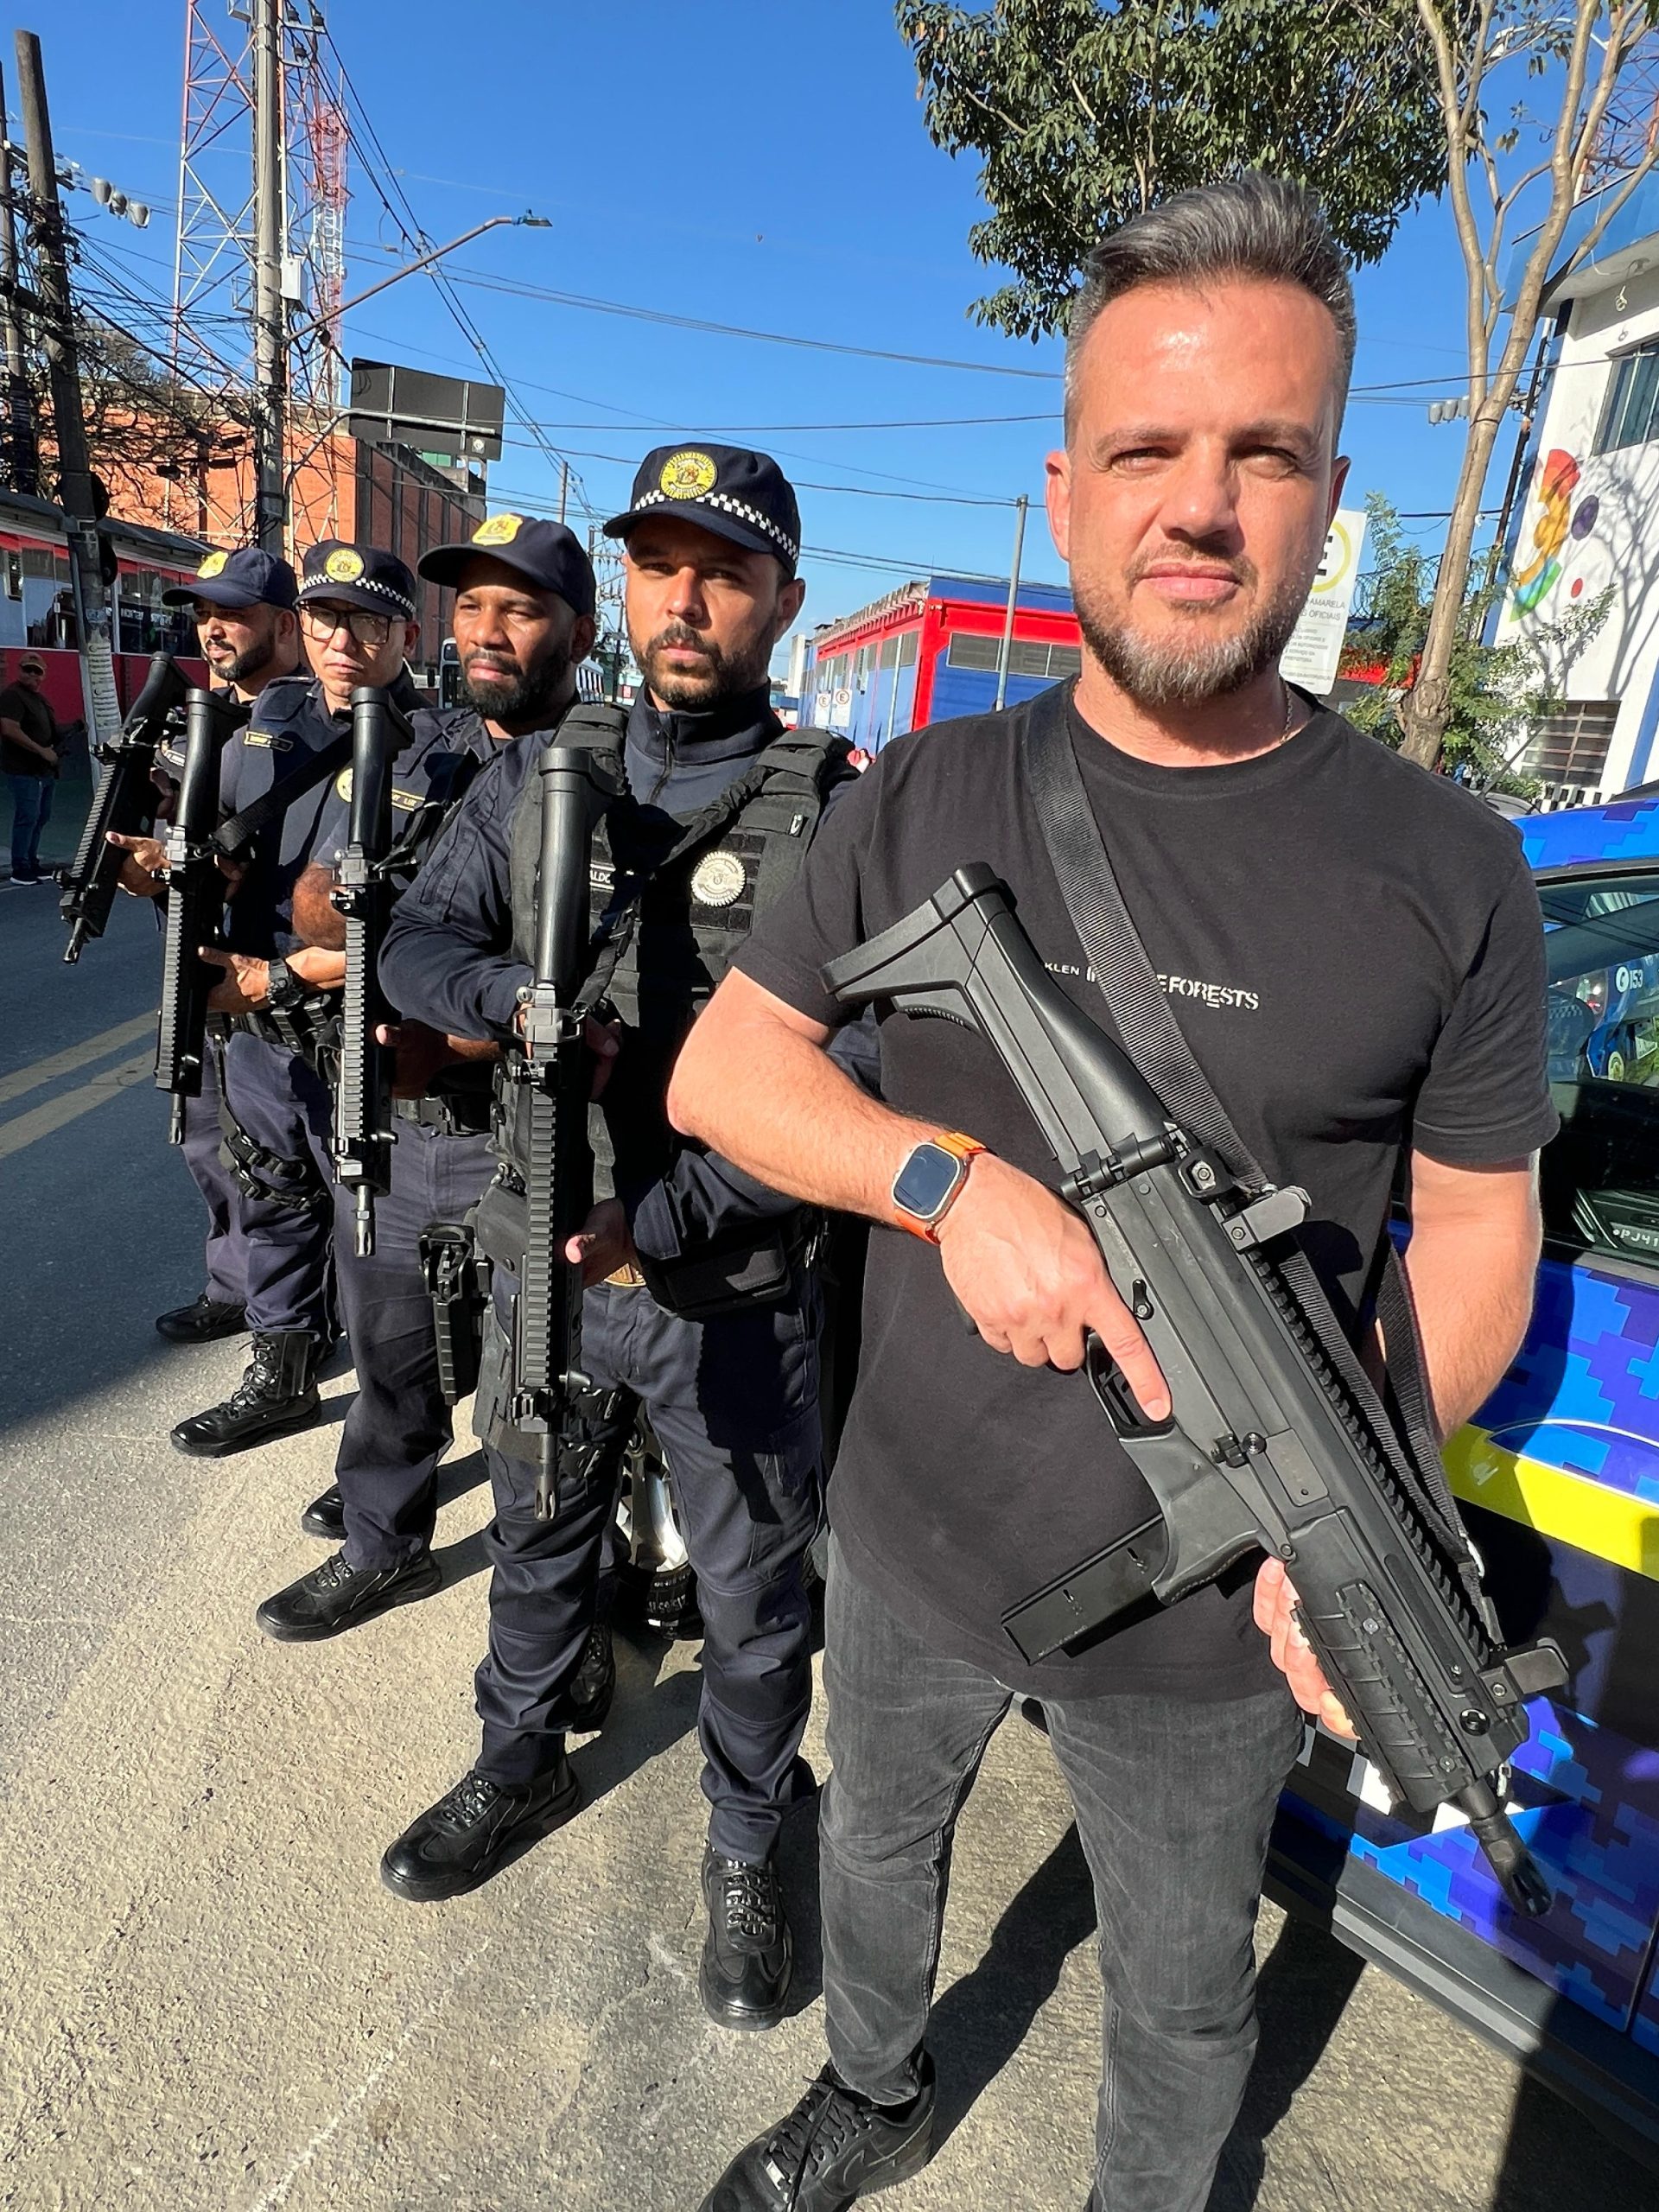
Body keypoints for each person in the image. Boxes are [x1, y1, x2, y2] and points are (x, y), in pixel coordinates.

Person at [670, 177, 1556, 2212]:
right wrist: (945, 1178)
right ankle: (871, 2091)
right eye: (1147, 449)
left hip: (1215, 1636)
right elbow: (723, 1075)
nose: (1201, 506)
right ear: (1066, 492)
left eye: (1266, 452)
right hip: (911, 1532)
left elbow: (1478, 1225)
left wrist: (1363, 1509)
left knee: (1180, 1995)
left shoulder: (1452, 867)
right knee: (873, 1849)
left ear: (1332, 495)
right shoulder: (917, 796)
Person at [377, 447, 849, 2037]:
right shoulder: (540, 773)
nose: (685, 602)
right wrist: (508, 1006)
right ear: (626, 592)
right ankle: (514, 1762)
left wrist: (660, 1220)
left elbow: (855, 1075)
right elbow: (417, 938)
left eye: (725, 573)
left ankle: (749, 1846)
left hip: (729, 1281)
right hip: (545, 1253)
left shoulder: (832, 809)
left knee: (752, 1599)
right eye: (658, 569)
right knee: (534, 1534)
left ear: (785, 599)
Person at [252, 513, 604, 1619]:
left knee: (542, 1382)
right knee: (390, 1350)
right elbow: (325, 899)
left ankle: (564, 1605)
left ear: (580, 633)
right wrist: (354, 908)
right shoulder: (420, 746)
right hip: (408, 1122)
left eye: (519, 607)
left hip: (541, 1131)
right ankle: (384, 1538)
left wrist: (460, 1017)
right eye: (472, 605)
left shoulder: (613, 768)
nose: (485, 629)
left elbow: (604, 983)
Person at [160, 543, 426, 1459]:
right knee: (269, 1198)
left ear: (405, 635)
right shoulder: (266, 726)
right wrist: (171, 867)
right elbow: (225, 858)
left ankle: (388, 1451)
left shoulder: (439, 748)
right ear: (300, 625)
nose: (343, 641)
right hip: (260, 1027)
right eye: (325, 619)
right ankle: (281, 1377)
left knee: (374, 1241)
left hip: (362, 1030)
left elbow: (424, 919)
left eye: (368, 622)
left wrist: (285, 974)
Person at [139, 547, 307, 1346]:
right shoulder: (195, 723)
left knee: (293, 1163)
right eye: (204, 613)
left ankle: (304, 1319)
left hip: (285, 978)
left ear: (285, 625)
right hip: (204, 966)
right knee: (209, 1141)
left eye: (233, 613)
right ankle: (235, 1286)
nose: (213, 628)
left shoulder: (319, 721)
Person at [2, 652, 61, 885]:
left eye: (37, 671)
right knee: (27, 817)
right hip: (24, 770)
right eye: (28, 670)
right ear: (20, 671)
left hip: (44, 770)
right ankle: (20, 868)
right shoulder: (13, 696)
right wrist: (41, 750)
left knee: (41, 816)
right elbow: (9, 728)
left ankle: (31, 861)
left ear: (43, 675)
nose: (32, 675)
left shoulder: (39, 699)